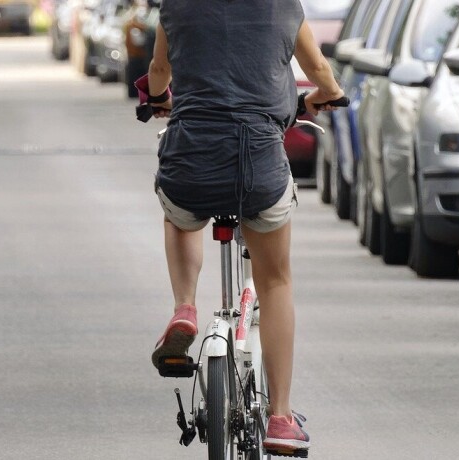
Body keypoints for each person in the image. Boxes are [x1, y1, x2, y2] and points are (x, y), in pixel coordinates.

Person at [142, 0, 345, 455]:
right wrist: (328, 93)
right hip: (258, 161)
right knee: (275, 281)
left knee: (180, 215)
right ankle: (280, 417)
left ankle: (186, 309)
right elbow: (319, 70)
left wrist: (160, 100)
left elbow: (159, 70)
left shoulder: (176, 6)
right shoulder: (283, 6)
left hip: (191, 155)